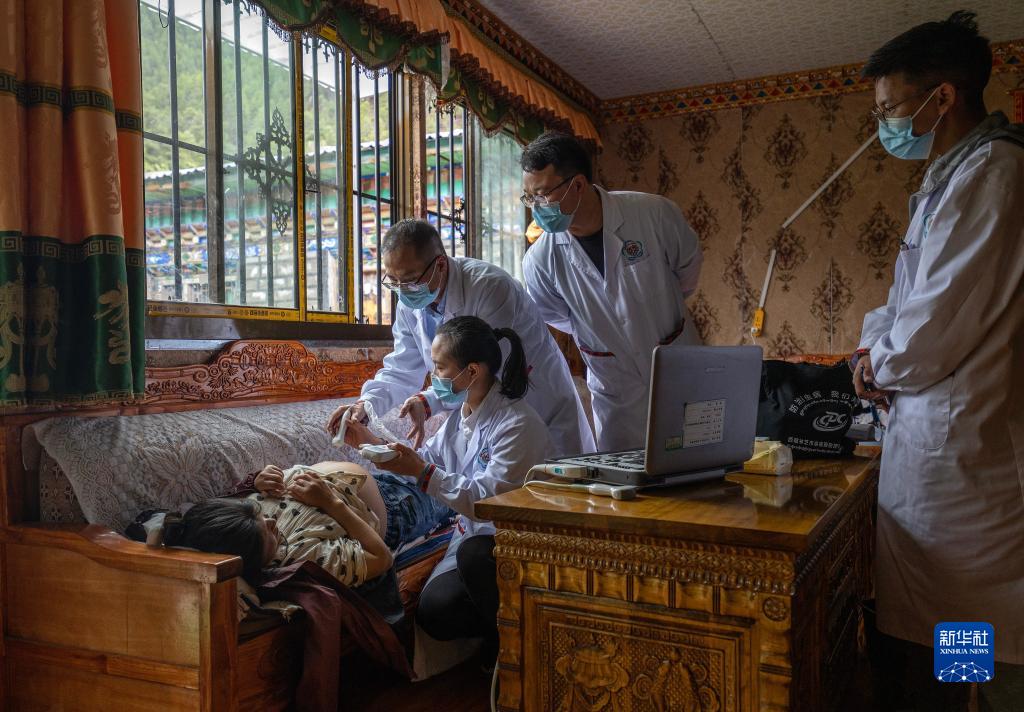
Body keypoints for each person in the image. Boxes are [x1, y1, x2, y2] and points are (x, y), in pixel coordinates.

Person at [852, 11, 1024, 710]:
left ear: (942, 97)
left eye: (890, 108)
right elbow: (902, 302)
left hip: (968, 461)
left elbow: (934, 325)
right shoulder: (942, 181)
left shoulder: (995, 172)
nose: (885, 124)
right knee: (939, 633)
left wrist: (880, 365)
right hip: (930, 449)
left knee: (976, 641)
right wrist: (870, 348)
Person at [340, 316, 552, 662]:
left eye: (439, 368)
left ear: (472, 372)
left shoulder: (517, 425)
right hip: (471, 537)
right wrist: (368, 442)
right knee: (435, 613)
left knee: (476, 555)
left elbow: (487, 501)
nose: (433, 379)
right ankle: (497, 627)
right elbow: (425, 461)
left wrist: (422, 471)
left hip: (512, 541)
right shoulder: (462, 415)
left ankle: (516, 650)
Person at [328, 219, 593, 457]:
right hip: (477, 412)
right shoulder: (410, 304)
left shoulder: (490, 288)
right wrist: (367, 405)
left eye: (410, 280)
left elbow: (482, 376)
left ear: (441, 265)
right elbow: (402, 368)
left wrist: (429, 401)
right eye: (393, 282)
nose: (403, 291)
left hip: (533, 399)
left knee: (552, 482)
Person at [520, 131, 704, 451]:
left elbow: (687, 271)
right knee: (626, 479)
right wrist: (609, 334)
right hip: (617, 397)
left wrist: (652, 316)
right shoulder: (540, 262)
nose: (536, 208)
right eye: (528, 198)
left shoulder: (653, 214)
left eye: (542, 195)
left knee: (699, 468)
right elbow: (559, 317)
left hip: (681, 376)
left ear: (578, 185)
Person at [161, 461, 451, 589]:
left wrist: (259, 480)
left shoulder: (234, 522)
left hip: (371, 480)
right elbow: (381, 558)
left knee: (435, 465)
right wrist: (331, 503)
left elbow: (241, 497)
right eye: (267, 531)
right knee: (457, 490)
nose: (270, 520)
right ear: (258, 556)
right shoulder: (300, 558)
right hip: (397, 509)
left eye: (260, 514)